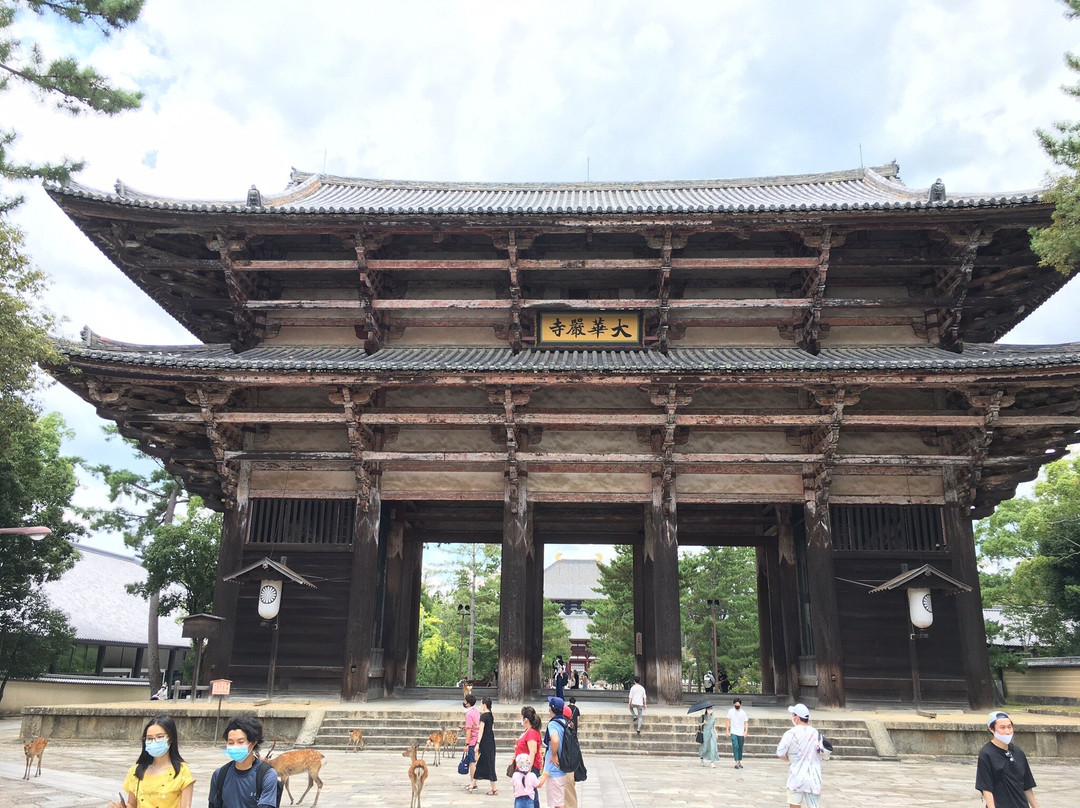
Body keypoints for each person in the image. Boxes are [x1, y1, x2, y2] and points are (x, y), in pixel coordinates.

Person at [107, 715, 194, 808]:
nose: (154, 741)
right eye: (149, 738)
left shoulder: (182, 771)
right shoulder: (135, 771)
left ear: (171, 739)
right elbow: (132, 804)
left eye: (160, 737)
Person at [208, 715, 280, 808]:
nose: (235, 746)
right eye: (230, 743)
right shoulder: (219, 775)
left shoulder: (267, 775)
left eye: (241, 742)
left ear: (253, 742)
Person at [976, 711, 1041, 808]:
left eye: (1009, 727)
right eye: (1002, 727)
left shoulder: (1018, 752)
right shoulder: (986, 754)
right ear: (991, 729)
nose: (1007, 731)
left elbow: (1027, 786)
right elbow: (987, 789)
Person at [776, 703, 825, 808]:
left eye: (793, 715)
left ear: (797, 718)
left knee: (794, 805)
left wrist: (790, 758)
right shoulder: (817, 734)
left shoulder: (790, 734)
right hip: (814, 777)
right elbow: (823, 753)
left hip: (796, 776)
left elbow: (780, 753)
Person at [514, 706, 544, 808]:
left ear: (525, 719)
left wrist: (528, 767)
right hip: (522, 765)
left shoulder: (531, 733)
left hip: (528, 767)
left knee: (530, 792)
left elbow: (533, 751)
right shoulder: (527, 731)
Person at [542, 697, 568, 808]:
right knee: (559, 800)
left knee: (556, 803)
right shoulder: (564, 722)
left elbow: (555, 739)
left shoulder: (553, 724)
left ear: (551, 709)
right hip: (562, 767)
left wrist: (553, 755)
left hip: (554, 768)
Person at [473, 696, 498, 796]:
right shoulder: (490, 715)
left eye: (481, 704)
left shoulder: (483, 716)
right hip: (490, 740)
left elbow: (481, 730)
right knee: (483, 762)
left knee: (488, 763)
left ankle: (494, 787)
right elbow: (485, 727)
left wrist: (477, 743)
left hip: (484, 741)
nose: (480, 706)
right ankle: (472, 783)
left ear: (484, 705)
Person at [462, 692, 481, 792]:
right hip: (478, 738)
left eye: (465, 701)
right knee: (473, 761)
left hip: (473, 740)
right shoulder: (476, 711)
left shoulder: (469, 714)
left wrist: (466, 743)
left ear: (468, 703)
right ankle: (473, 782)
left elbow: (469, 730)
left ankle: (473, 783)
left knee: (472, 762)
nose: (464, 703)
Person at [726, 697, 749, 769]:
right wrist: (727, 731)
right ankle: (736, 761)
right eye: (736, 705)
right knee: (735, 746)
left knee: (740, 747)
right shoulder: (730, 711)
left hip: (741, 732)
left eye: (738, 705)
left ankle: (739, 761)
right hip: (733, 732)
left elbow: (746, 723)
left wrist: (746, 731)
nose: (737, 706)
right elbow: (728, 721)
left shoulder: (743, 713)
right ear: (733, 704)